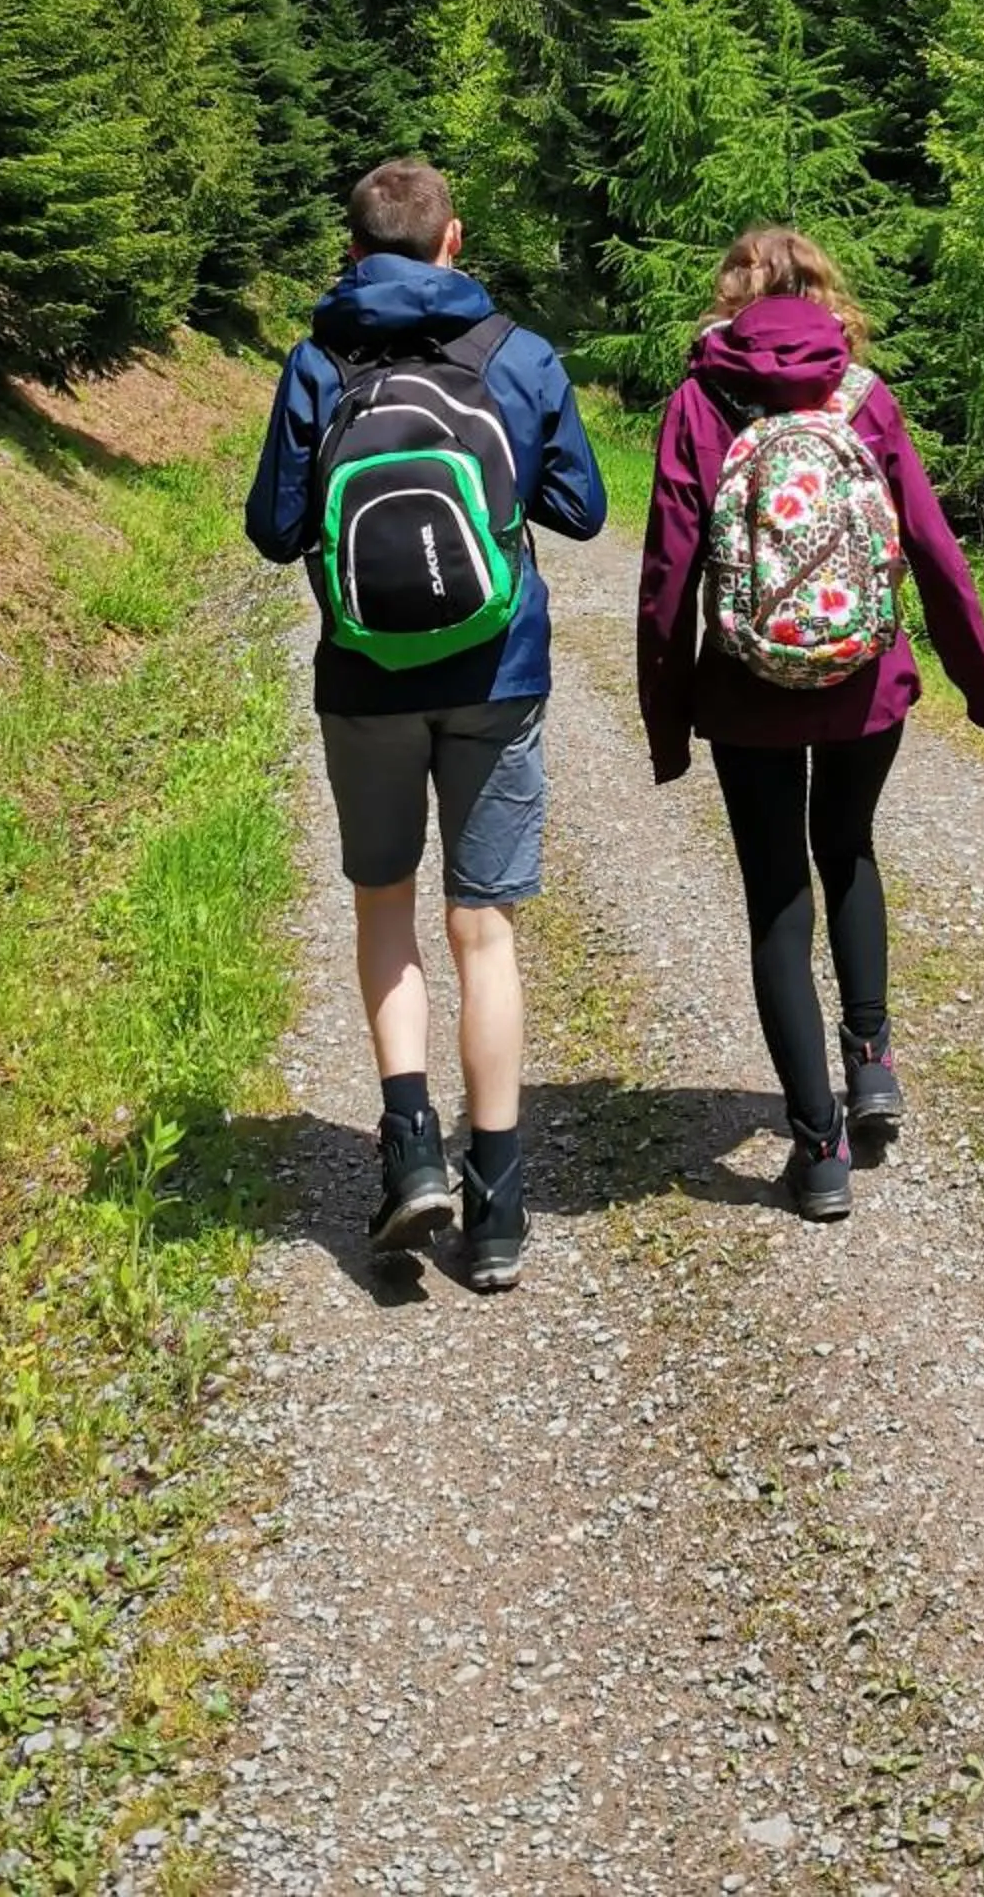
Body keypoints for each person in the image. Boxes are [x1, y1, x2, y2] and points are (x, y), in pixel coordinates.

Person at [246, 159, 606, 1287]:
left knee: (385, 906)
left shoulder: (317, 360)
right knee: (482, 930)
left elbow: (274, 527)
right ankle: (497, 1208)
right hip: (498, 672)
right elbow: (583, 510)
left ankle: (410, 1155)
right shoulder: (516, 353)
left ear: (353, 252)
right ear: (455, 239)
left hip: (365, 680)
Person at [635, 226, 984, 1220]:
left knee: (774, 895)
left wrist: (669, 724)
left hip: (749, 694)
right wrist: (978, 678)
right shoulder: (863, 395)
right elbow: (929, 541)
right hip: (865, 679)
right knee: (848, 850)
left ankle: (821, 1148)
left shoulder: (699, 402)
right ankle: (873, 1062)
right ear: (826, 294)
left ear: (732, 299)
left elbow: (669, 577)